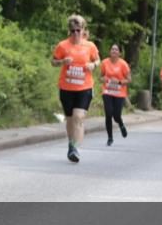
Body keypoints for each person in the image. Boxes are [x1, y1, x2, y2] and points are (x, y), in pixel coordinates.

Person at [51, 14, 100, 163]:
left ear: (83, 30)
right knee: (70, 119)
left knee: (78, 117)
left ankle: (75, 148)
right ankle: (71, 144)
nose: (75, 34)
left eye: (78, 30)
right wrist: (62, 62)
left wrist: (93, 65)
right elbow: (53, 62)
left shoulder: (90, 46)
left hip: (84, 88)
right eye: (72, 31)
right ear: (69, 31)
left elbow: (98, 60)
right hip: (66, 87)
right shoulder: (63, 45)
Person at [100, 44, 131, 146]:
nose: (114, 51)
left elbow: (129, 80)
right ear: (110, 52)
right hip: (107, 91)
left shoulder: (123, 64)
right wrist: (102, 79)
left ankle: (121, 124)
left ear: (119, 53)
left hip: (119, 93)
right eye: (112, 49)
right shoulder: (104, 62)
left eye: (116, 49)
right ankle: (110, 138)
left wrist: (118, 82)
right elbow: (100, 77)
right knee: (108, 114)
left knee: (116, 116)